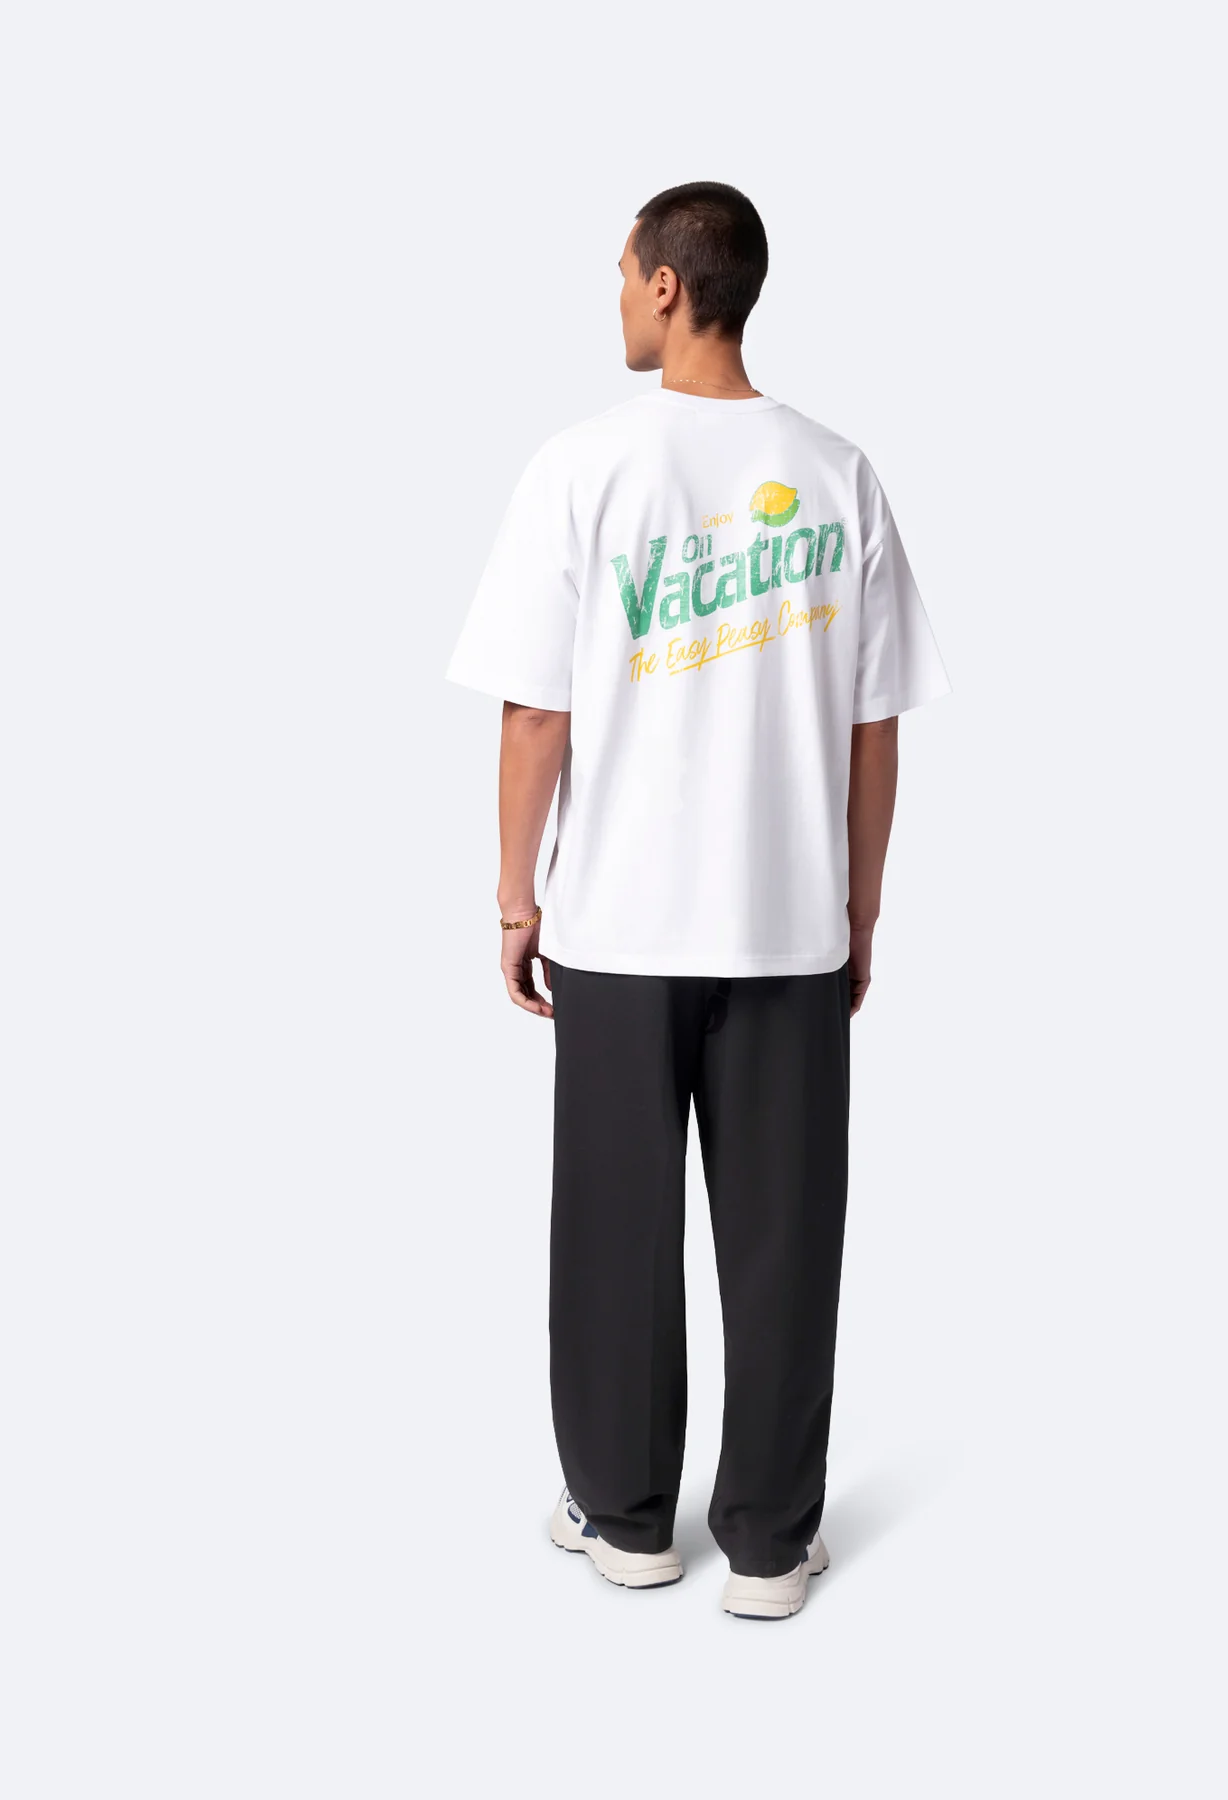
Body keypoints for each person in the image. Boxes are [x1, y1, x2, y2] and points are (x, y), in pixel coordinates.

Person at [448, 181, 948, 1619]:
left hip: (617, 919)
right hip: (788, 920)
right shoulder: (838, 470)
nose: (615, 295)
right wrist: (859, 910)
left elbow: (534, 714)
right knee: (786, 1237)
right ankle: (773, 1544)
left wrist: (513, 898)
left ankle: (625, 1518)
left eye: (622, 272)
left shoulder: (582, 467)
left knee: (616, 1225)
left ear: (669, 285)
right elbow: (874, 727)